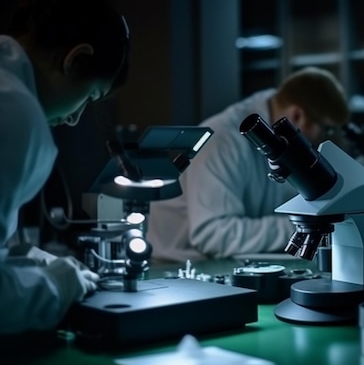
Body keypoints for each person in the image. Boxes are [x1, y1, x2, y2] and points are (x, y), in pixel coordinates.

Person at [0, 0, 130, 334]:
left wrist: (31, 261)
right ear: (74, 59)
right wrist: (59, 286)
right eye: (90, 96)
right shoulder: (14, 110)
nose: (74, 119)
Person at [148, 66, 350, 261]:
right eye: (327, 129)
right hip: (178, 264)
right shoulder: (225, 139)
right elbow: (213, 235)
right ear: (298, 115)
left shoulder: (277, 122)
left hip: (222, 261)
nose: (325, 139)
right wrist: (302, 226)